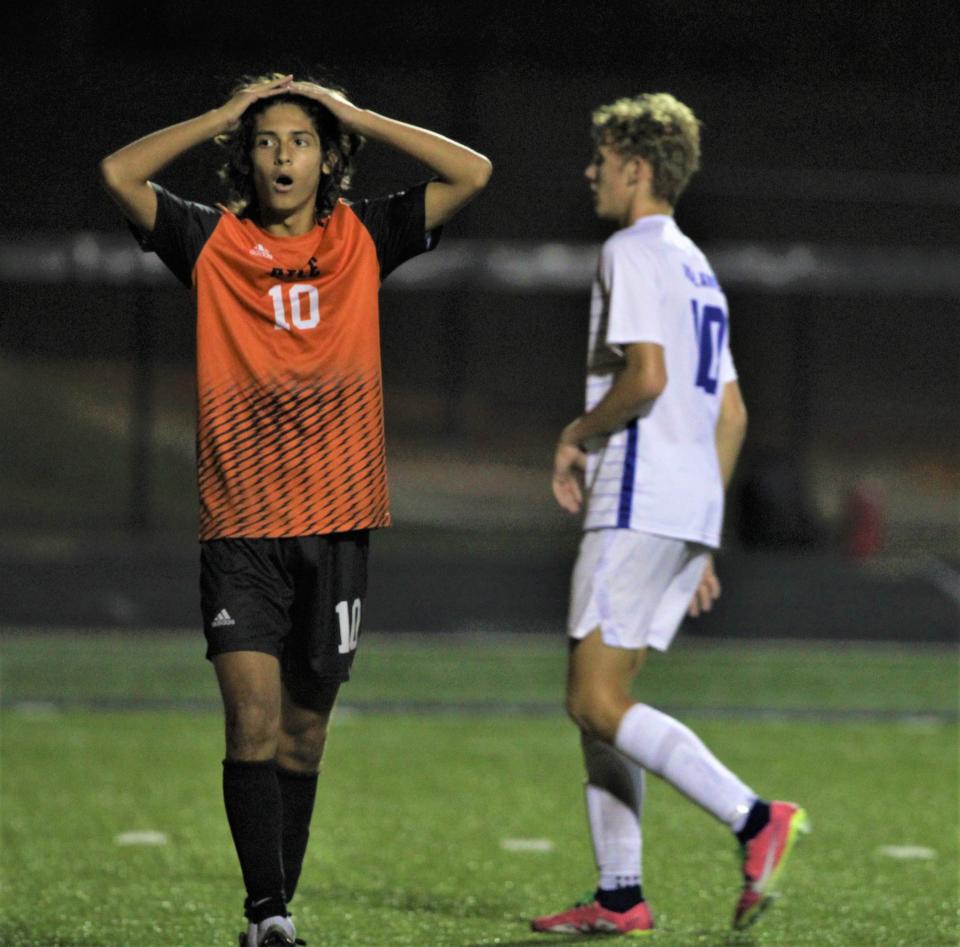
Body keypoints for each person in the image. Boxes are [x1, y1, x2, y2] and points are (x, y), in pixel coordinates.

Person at [100, 73, 491, 947]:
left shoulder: (364, 235)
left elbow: (473, 173)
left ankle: (281, 906)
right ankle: (265, 915)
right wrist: (214, 116)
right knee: (251, 720)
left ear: (327, 158)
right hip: (241, 524)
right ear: (247, 152)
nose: (284, 155)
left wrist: (359, 115)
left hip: (338, 521)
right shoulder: (210, 242)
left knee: (305, 738)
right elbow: (121, 174)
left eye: (303, 140)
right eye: (268, 139)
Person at [530, 93, 807, 937]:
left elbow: (645, 377)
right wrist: (705, 535)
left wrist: (577, 432)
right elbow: (732, 415)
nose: (591, 171)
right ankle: (620, 894)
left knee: (593, 698)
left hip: (638, 495)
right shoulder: (696, 264)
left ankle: (754, 816)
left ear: (636, 169)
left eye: (602, 158)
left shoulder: (632, 249)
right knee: (601, 696)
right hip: (683, 504)